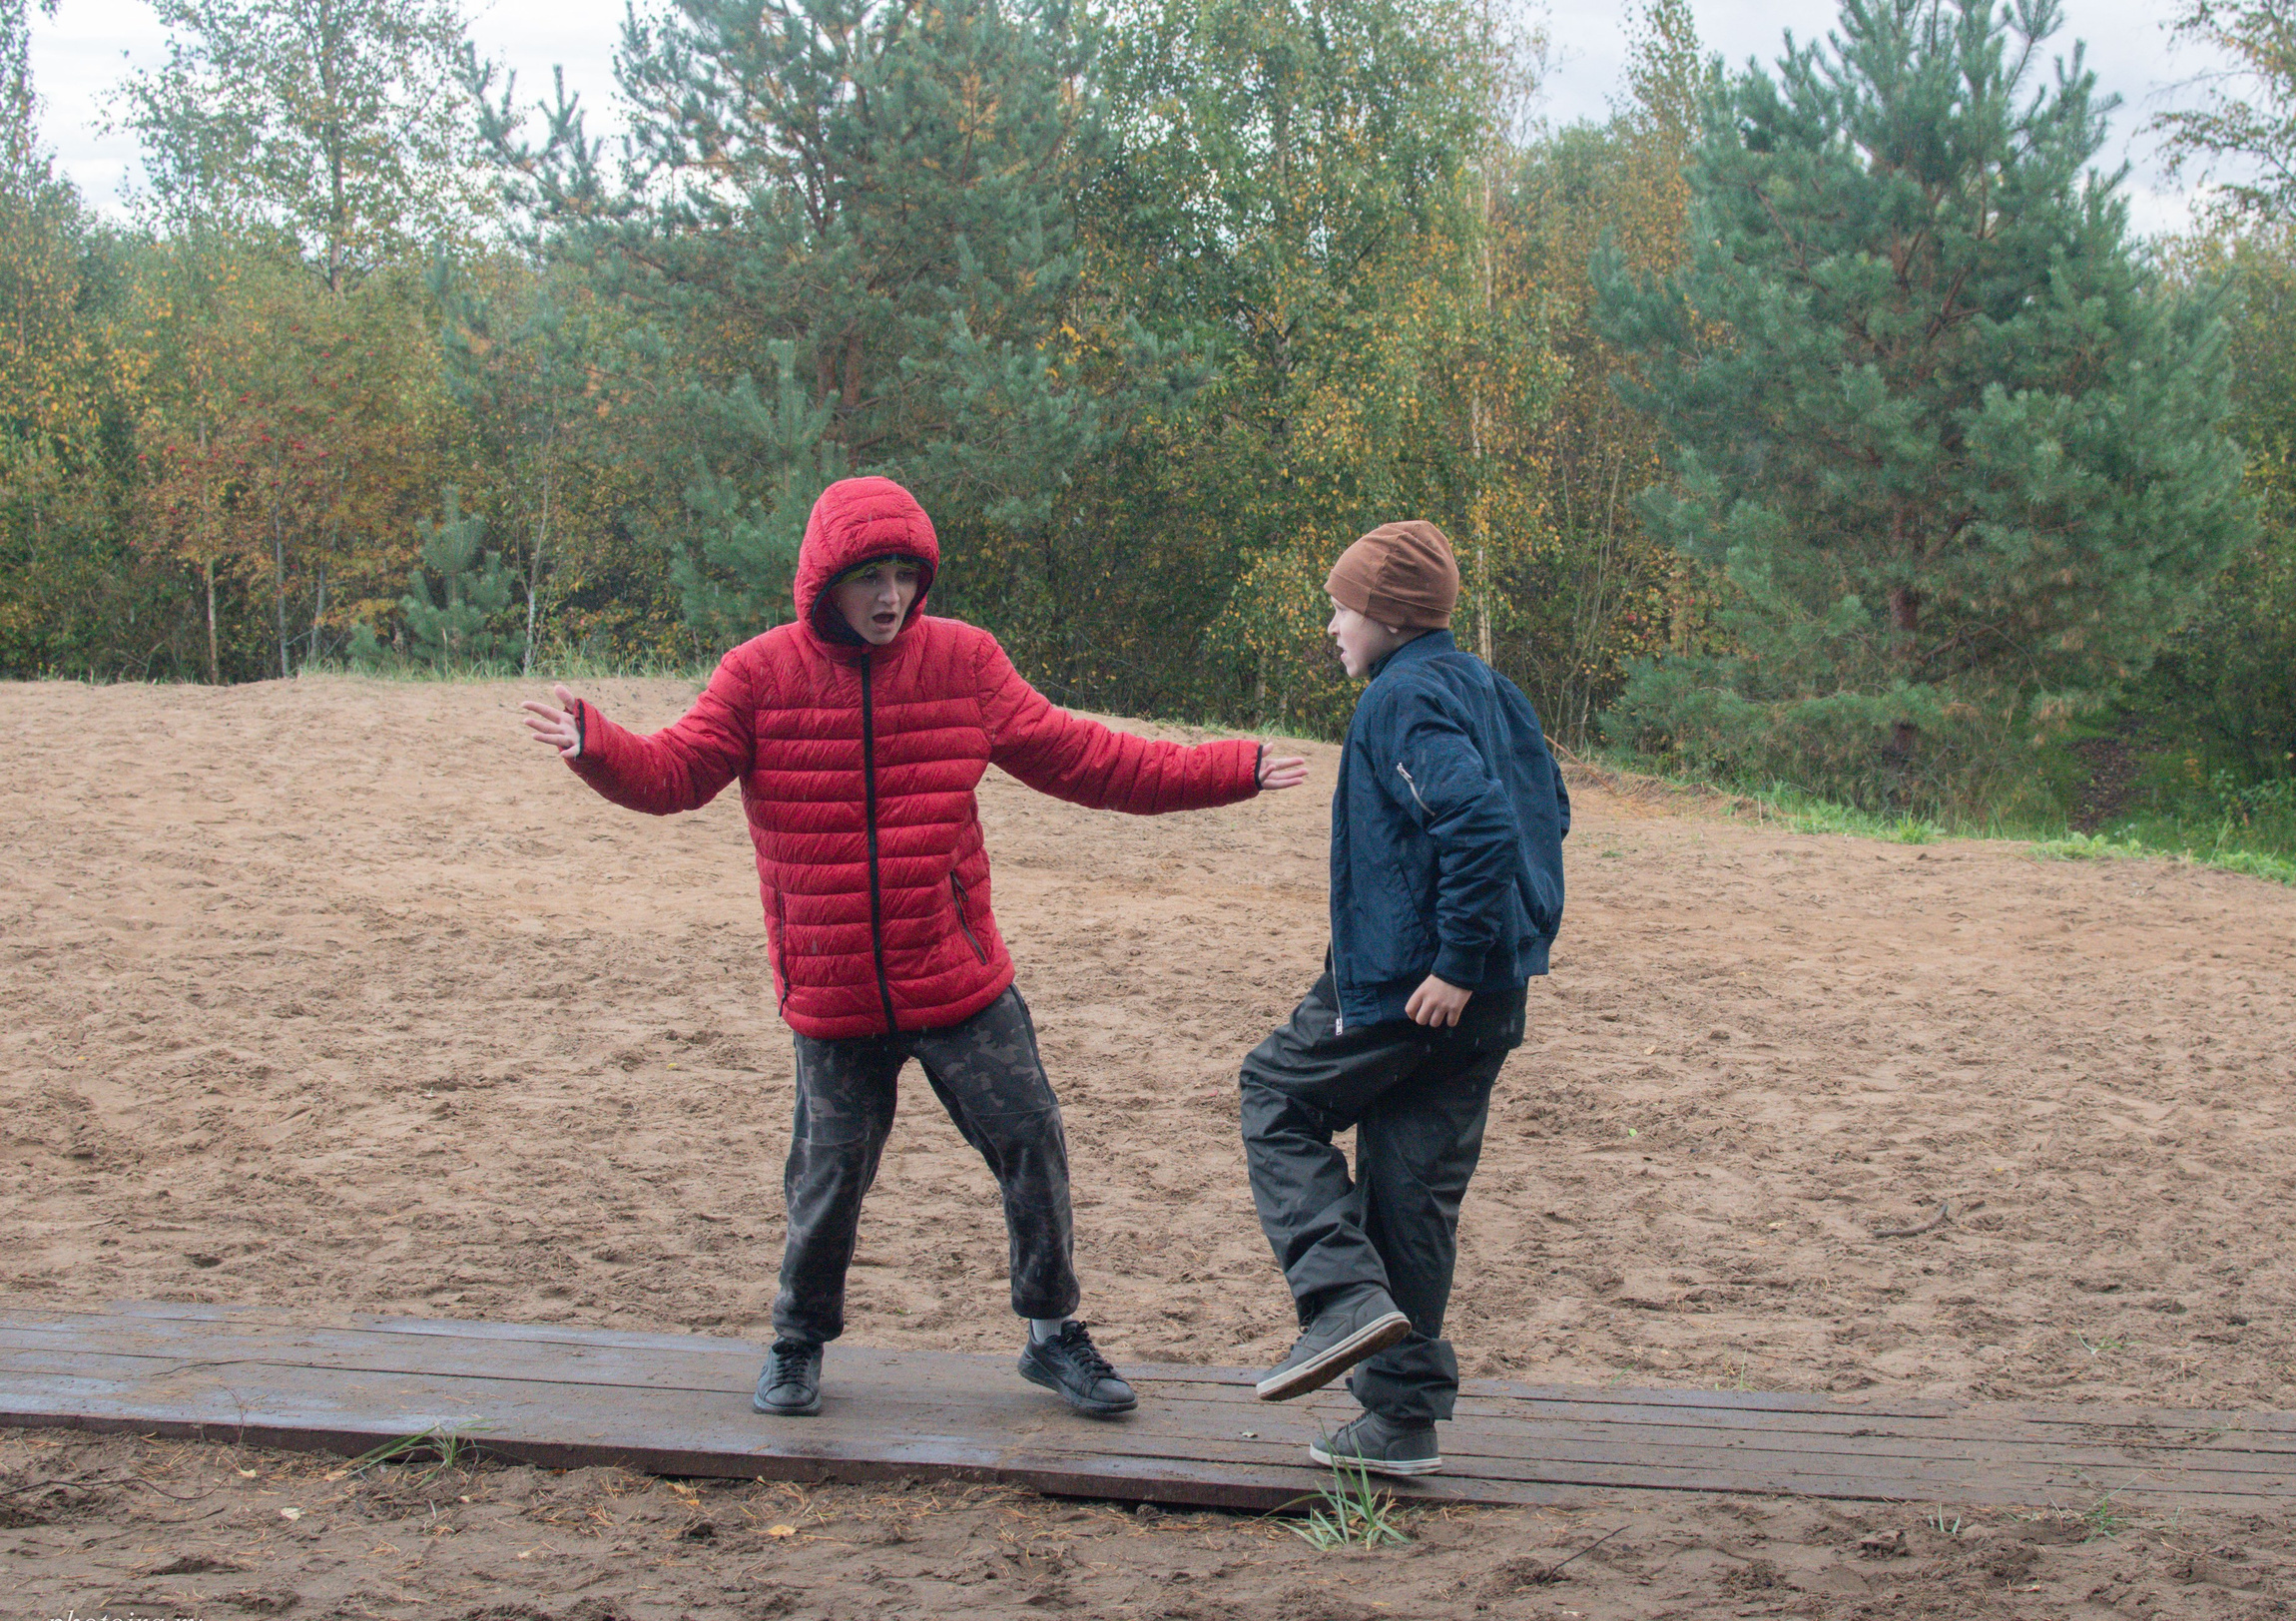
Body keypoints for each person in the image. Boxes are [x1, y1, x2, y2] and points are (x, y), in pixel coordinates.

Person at [520, 475, 1308, 1420]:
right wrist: (592, 744)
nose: (889, 597)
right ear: (824, 582)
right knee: (828, 1177)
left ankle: (1053, 1335)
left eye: (903, 574)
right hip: (834, 991)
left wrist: (1229, 768)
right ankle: (798, 1340)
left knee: (1032, 1141)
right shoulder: (758, 675)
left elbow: (1085, 756)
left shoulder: (965, 663)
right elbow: (674, 772)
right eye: (868, 577)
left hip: (958, 976)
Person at [1238, 519, 1567, 1477]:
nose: (1334, 626)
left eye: (1343, 609)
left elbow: (1480, 823)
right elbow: (1550, 813)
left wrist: (1455, 959)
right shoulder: (1492, 692)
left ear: (1384, 616)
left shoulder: (1402, 700)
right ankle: (1400, 1421)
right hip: (1495, 994)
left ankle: (1340, 1298)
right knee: (1410, 1192)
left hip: (1412, 987)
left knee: (1274, 1095)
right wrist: (1496, 951)